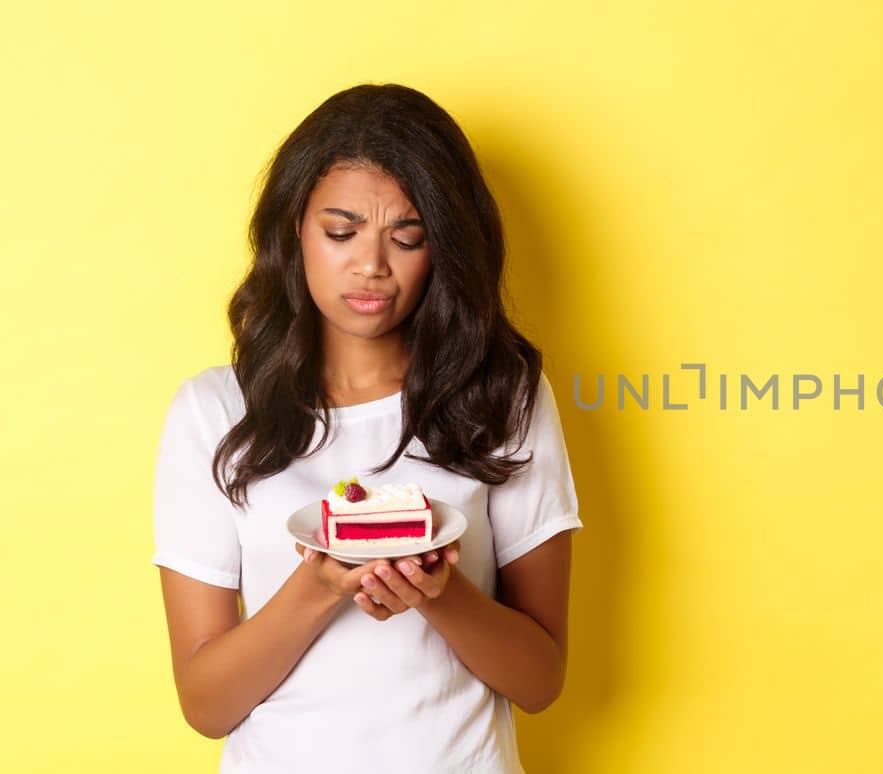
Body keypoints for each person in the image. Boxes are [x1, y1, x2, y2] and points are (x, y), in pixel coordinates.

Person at [151, 83, 582, 773]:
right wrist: (320, 587)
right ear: (295, 228)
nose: (372, 265)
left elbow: (541, 681)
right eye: (341, 232)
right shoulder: (214, 412)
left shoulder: (504, 397)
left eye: (407, 237)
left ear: (444, 246)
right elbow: (205, 706)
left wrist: (441, 594)